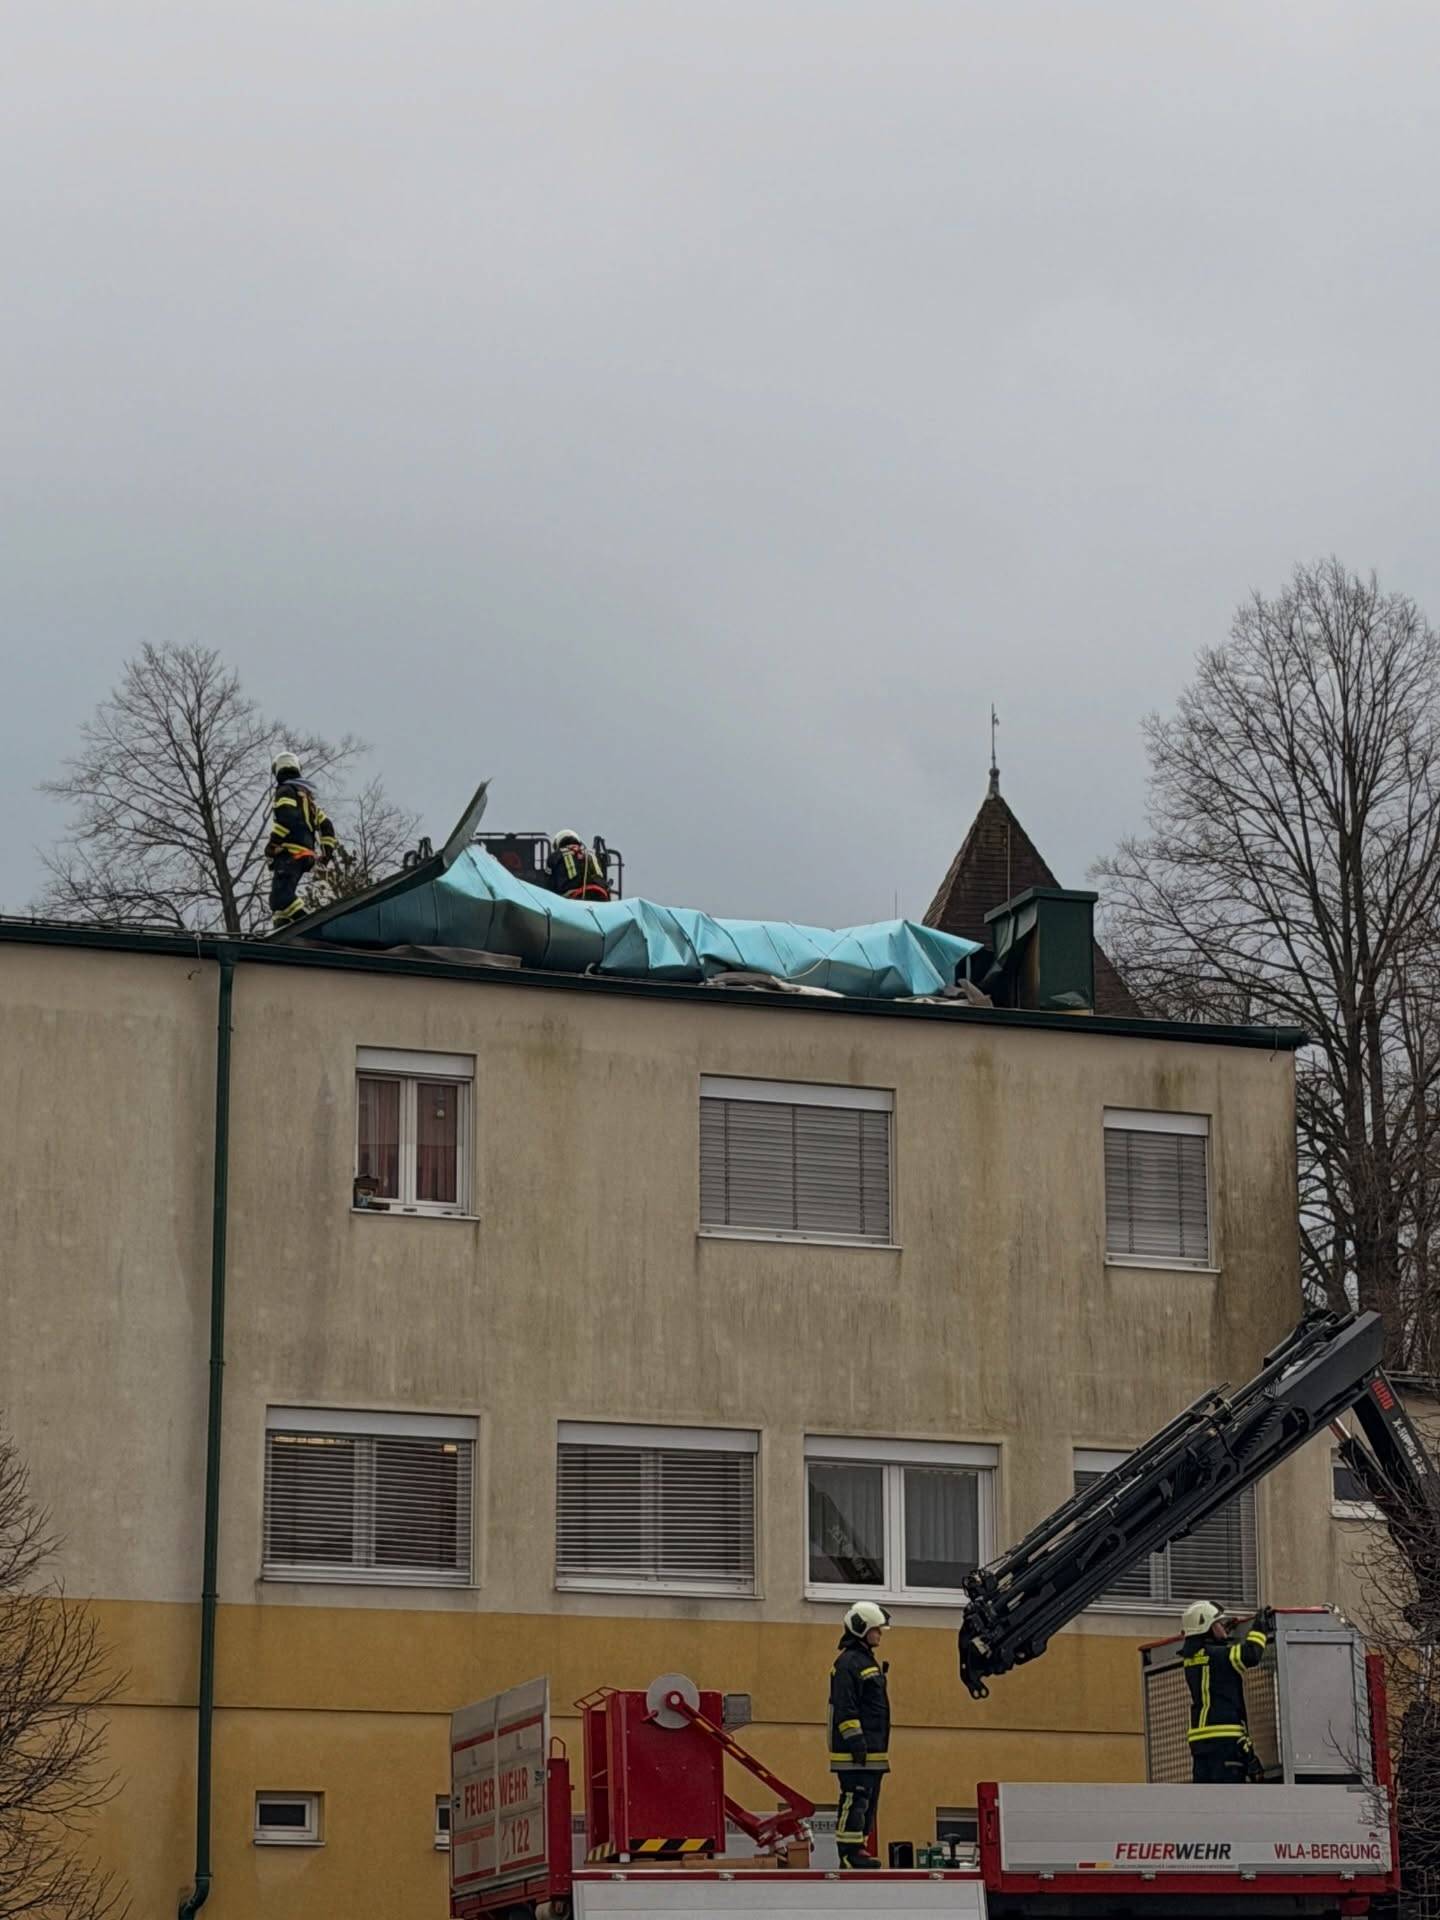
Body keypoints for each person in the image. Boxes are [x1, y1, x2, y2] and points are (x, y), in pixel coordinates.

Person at [828, 1600, 891, 1870]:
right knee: (855, 1796)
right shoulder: (848, 1663)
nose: (880, 1634)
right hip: (855, 1749)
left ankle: (859, 1848)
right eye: (876, 1629)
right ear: (862, 1629)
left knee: (868, 1800)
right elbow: (846, 1707)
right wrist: (856, 1741)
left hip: (872, 1749)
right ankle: (848, 1853)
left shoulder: (865, 1661)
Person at [1181, 1599, 1273, 1782]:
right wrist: (1259, 1627)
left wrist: (1224, 1633)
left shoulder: (1191, 1658)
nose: (1222, 1627)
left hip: (1200, 1744)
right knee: (1229, 1796)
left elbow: (1210, 1652)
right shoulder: (1220, 1657)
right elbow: (1251, 1654)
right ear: (1208, 1627)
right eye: (1218, 1624)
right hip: (1225, 1741)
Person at [265, 751, 338, 929]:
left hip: (290, 853)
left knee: (281, 896)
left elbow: (287, 817)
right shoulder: (308, 800)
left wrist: (273, 843)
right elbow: (327, 826)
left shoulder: (285, 791)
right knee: (278, 903)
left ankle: (309, 924)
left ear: (278, 769)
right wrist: (326, 854)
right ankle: (282, 929)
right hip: (305, 855)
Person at [547, 830, 610, 902]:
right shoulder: (591, 854)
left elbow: (548, 884)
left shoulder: (555, 855)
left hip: (571, 898)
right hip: (600, 894)